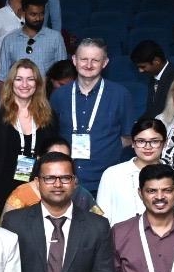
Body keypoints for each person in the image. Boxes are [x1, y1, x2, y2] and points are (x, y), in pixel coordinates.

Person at [50, 38, 133, 195]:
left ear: (105, 63)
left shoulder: (121, 95)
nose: (88, 65)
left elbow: (127, 138)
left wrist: (104, 151)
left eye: (95, 60)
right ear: (74, 60)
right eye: (84, 59)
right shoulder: (59, 96)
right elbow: (53, 136)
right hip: (65, 182)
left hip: (105, 182)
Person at [0, 59, 62, 212]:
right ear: (11, 83)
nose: (24, 84)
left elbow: (52, 152)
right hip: (3, 189)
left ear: (37, 83)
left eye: (30, 79)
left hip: (39, 189)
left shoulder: (49, 117)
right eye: (19, 79)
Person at [97, 118, 174, 225]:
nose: (147, 147)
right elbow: (101, 219)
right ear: (133, 143)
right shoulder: (112, 174)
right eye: (141, 141)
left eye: (154, 141)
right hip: (119, 235)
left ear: (164, 143)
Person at [3, 136, 106, 216]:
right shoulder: (21, 194)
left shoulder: (81, 194)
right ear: (39, 159)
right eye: (53, 157)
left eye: (64, 158)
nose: (59, 163)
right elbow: (7, 231)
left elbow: (99, 225)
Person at [0, 0, 67, 83]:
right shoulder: (9, 40)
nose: (38, 18)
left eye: (42, 14)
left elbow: (63, 74)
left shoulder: (55, 38)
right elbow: (2, 77)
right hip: (18, 90)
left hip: (46, 91)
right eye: (33, 14)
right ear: (23, 13)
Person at [133, 40, 174, 122]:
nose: (140, 71)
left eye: (143, 67)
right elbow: (152, 111)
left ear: (156, 61)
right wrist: (139, 124)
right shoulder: (154, 77)